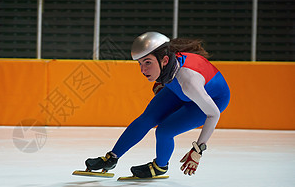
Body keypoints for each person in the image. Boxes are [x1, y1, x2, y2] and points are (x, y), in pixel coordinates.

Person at [85, 32, 230, 178]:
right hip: (181, 89)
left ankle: (160, 166)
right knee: (146, 119)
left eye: (148, 62)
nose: (143, 70)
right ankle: (112, 158)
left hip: (214, 99)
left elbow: (214, 114)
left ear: (165, 60)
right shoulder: (169, 63)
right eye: (140, 63)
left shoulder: (188, 81)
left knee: (164, 131)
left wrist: (198, 150)